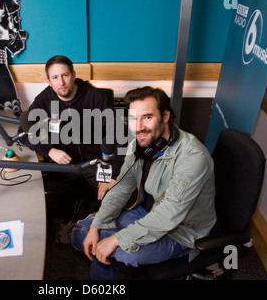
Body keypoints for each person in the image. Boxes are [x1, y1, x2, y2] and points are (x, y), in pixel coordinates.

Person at [71, 86, 216, 279]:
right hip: (148, 213)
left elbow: (168, 216)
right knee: (83, 233)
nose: (138, 127)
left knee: (120, 250)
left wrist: (116, 239)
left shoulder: (192, 157)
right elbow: (121, 188)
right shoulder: (140, 145)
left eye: (147, 117)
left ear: (165, 116)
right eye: (133, 118)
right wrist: (97, 226)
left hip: (182, 232)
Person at [18, 55, 123, 223]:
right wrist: (49, 151)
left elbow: (119, 134)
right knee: (45, 206)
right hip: (64, 165)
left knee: (113, 201)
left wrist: (114, 174)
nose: (61, 82)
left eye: (65, 75)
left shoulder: (95, 96)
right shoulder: (44, 99)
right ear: (49, 81)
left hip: (96, 163)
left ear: (73, 74)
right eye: (55, 77)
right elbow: (23, 133)